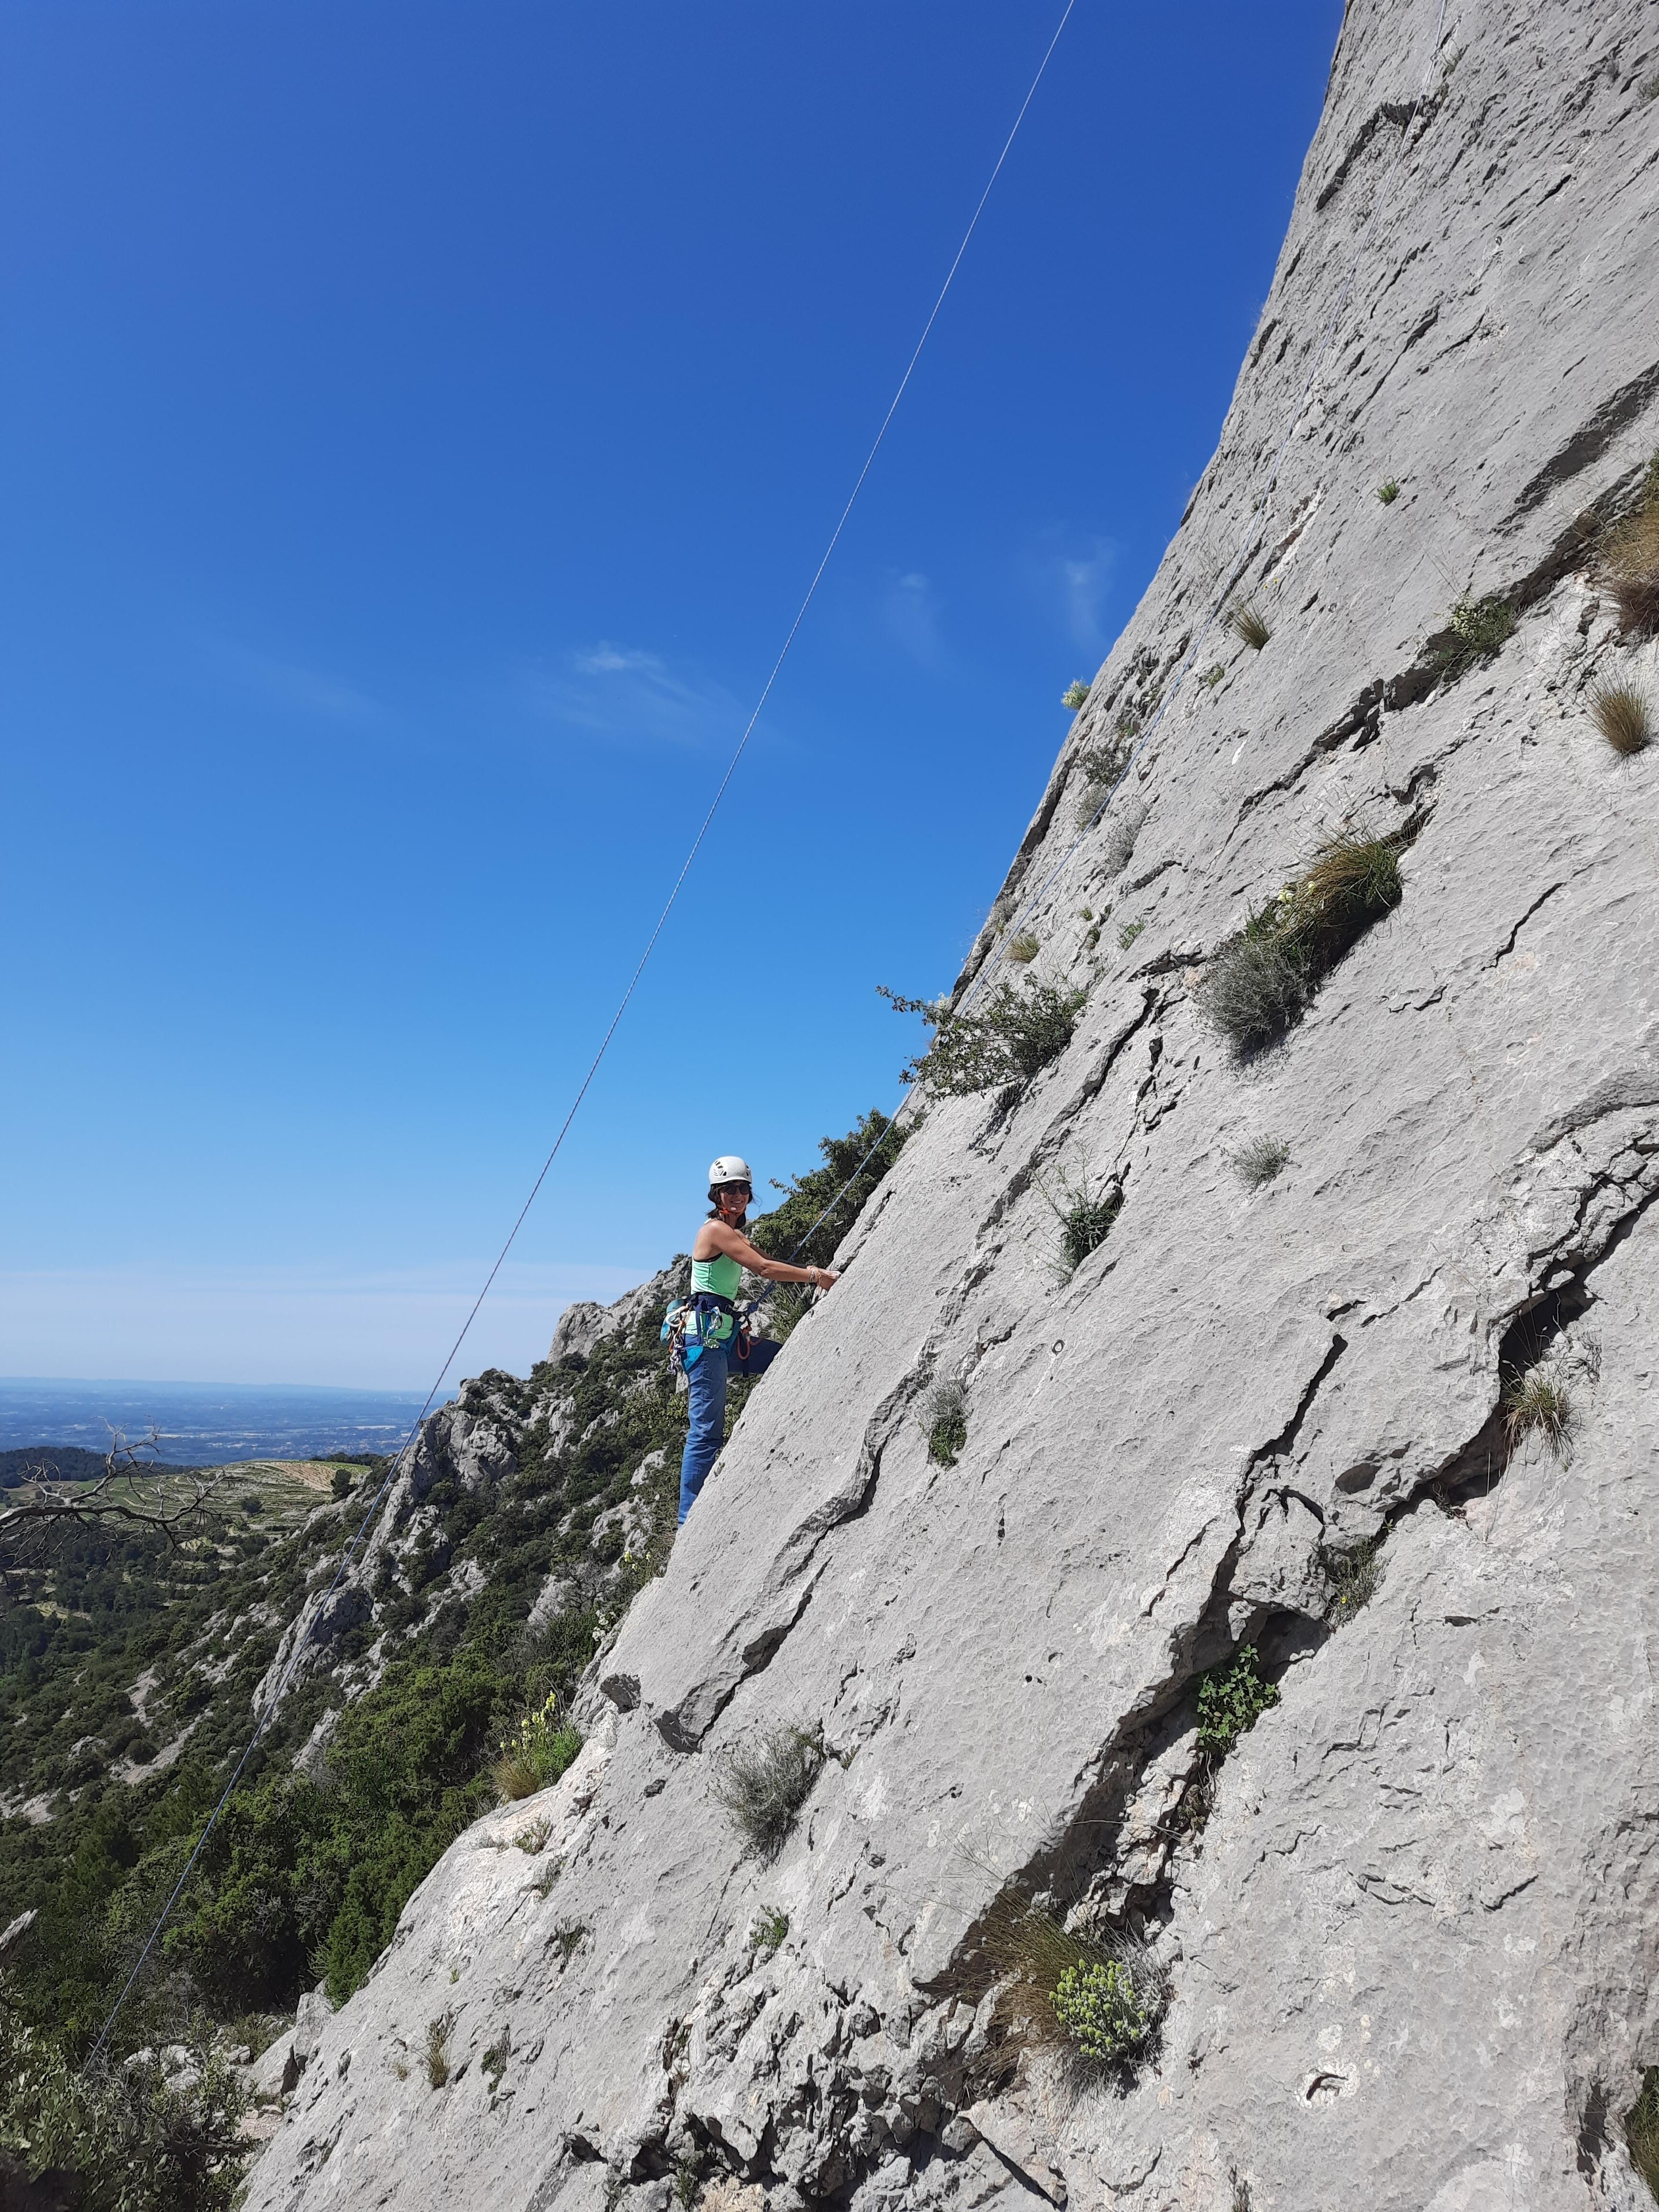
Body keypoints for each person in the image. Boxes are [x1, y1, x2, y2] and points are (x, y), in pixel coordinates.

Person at [676, 1155, 839, 1526]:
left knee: (785, 1359)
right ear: (716, 1195)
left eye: (743, 1188)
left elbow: (768, 1261)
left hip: (723, 1335)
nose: (737, 1195)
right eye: (729, 1189)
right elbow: (764, 1269)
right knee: (706, 1432)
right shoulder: (715, 1231)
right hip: (705, 1341)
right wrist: (817, 1277)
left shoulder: (735, 1234)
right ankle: (688, 1521)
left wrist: (812, 1271)